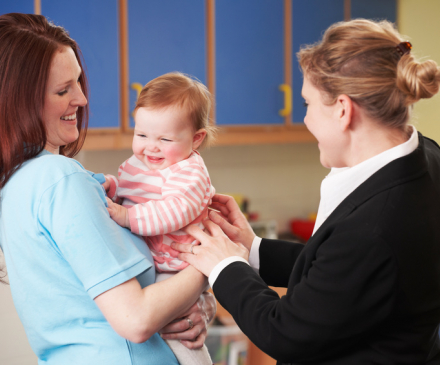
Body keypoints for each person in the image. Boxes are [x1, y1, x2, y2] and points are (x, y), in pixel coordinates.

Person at [172, 19, 440, 365]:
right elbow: (343, 276)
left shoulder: (374, 226)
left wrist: (224, 265)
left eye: (307, 105)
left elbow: (286, 332)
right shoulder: (426, 157)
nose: (306, 121)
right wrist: (252, 250)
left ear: (343, 110)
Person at [0, 13, 216, 365]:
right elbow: (136, 319)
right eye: (63, 90)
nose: (82, 99)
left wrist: (193, 307)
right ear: (19, 101)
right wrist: (212, 260)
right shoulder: (60, 179)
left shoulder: (15, 184)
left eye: (78, 84)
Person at [103, 72, 216, 365]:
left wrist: (127, 216)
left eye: (165, 139)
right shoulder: (139, 163)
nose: (150, 147)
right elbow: (131, 193)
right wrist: (112, 188)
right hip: (156, 264)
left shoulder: (190, 173)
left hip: (177, 267)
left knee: (181, 339)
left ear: (196, 139)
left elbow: (174, 211)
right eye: (141, 135)